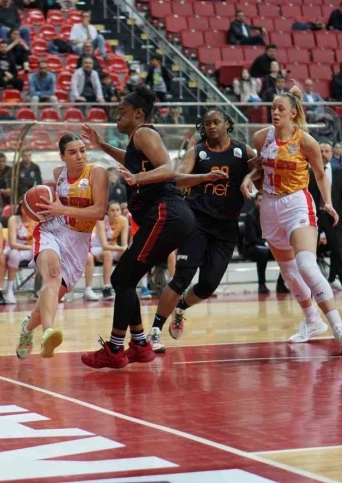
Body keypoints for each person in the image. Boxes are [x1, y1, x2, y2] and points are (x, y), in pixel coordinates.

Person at [79, 86, 225, 369]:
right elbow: (141, 164)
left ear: (138, 114)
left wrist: (138, 179)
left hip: (165, 213)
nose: (117, 116)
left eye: (122, 112)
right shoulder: (138, 141)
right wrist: (102, 145)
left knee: (122, 278)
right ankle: (140, 345)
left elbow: (167, 169)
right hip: (170, 216)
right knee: (125, 279)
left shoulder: (144, 132)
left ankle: (115, 348)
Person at [241, 86, 342, 352]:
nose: (275, 112)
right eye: (273, 108)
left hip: (296, 203)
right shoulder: (261, 138)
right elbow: (260, 169)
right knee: (290, 273)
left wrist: (328, 202)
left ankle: (339, 329)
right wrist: (248, 177)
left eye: (280, 108)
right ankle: (312, 321)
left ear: (293, 113)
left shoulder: (306, 141)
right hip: (269, 205)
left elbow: (320, 174)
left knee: (306, 264)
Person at [145, 108, 259, 352]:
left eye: (217, 122)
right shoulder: (196, 152)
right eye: (208, 123)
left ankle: (181, 308)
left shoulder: (242, 151)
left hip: (226, 228)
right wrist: (204, 177)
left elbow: (261, 166)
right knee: (181, 278)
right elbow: (176, 179)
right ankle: (154, 331)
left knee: (208, 286)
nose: (212, 127)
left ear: (227, 124)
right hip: (197, 222)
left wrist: (249, 177)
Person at [15, 134, 109, 360]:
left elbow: (99, 212)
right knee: (53, 275)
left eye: (83, 150)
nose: (80, 156)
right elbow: (44, 202)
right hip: (53, 230)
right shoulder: (59, 174)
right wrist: (31, 205)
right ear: (62, 156)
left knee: (45, 306)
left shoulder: (97, 173)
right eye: (72, 152)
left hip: (79, 241)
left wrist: (62, 209)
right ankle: (48, 333)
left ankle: (27, 329)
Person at [308, 142, 342, 299]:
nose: (323, 153)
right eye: (320, 151)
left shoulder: (339, 171)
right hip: (313, 216)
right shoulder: (308, 171)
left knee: (339, 251)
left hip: (333, 217)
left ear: (331, 153)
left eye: (326, 151)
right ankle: (306, 289)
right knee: (307, 252)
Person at [243, 192, 288, 294]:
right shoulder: (250, 216)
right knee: (262, 253)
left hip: (268, 246)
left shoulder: (271, 215)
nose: (262, 203)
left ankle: (281, 284)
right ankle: (261, 284)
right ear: (255, 202)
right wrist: (266, 243)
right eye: (260, 200)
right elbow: (251, 237)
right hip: (251, 247)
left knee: (286, 254)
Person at [89, 202, 129, 301]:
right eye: (112, 210)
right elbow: (104, 246)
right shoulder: (101, 221)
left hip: (113, 247)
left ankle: (124, 285)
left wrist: (125, 249)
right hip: (97, 248)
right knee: (108, 254)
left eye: (117, 210)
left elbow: (124, 244)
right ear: (107, 212)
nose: (115, 213)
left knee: (127, 254)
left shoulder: (124, 220)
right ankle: (106, 287)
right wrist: (122, 248)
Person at [4, 202, 37, 304]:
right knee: (14, 254)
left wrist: (34, 248)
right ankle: (9, 290)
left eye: (29, 207)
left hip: (30, 251)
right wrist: (30, 247)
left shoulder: (36, 219)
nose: (26, 210)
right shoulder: (13, 220)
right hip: (14, 250)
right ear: (20, 208)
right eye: (24, 207)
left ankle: (41, 287)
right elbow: (13, 244)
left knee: (43, 255)